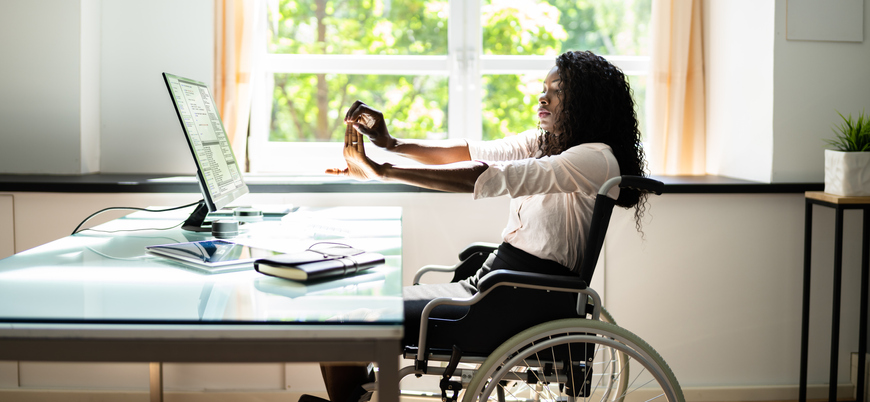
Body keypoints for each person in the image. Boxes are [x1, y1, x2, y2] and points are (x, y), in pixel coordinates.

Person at [307, 50, 648, 402]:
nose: (543, 96)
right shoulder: (544, 144)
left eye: (557, 90)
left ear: (588, 100)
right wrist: (391, 145)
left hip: (515, 299)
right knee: (342, 320)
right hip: (492, 285)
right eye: (543, 87)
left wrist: (384, 171)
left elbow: (488, 176)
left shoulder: (594, 157)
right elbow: (469, 153)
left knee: (348, 327)